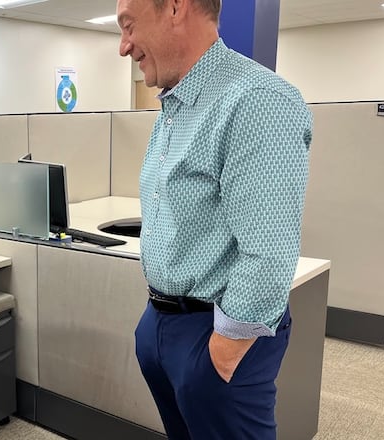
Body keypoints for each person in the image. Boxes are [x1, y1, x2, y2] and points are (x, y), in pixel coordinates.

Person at [116, 0, 312, 439]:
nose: (123, 46)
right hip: (164, 322)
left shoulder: (256, 100)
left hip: (219, 333)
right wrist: (155, 330)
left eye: (128, 26)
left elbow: (269, 252)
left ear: (175, 7)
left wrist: (220, 353)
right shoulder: (176, 106)